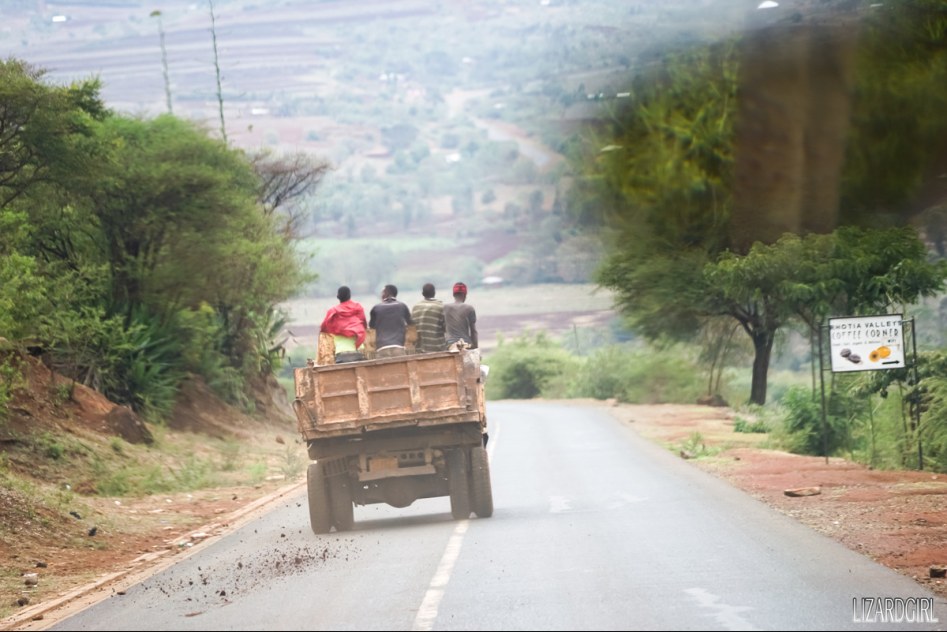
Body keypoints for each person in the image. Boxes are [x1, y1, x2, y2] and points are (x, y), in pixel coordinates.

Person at [320, 286, 367, 363]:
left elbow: (323, 328)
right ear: (350, 295)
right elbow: (364, 324)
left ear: (337, 296)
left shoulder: (333, 311)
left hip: (341, 354)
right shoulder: (358, 307)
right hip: (358, 351)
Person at [369, 284, 413, 358]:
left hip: (382, 348)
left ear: (386, 293)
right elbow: (411, 324)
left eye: (382, 292)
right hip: (398, 347)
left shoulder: (376, 308)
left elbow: (371, 327)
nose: (381, 295)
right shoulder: (402, 306)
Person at [411, 283, 447, 353]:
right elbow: (446, 328)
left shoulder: (415, 307)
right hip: (437, 350)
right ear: (434, 293)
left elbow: (412, 329)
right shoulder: (441, 307)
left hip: (418, 350)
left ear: (422, 293)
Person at [443, 281, 478, 349]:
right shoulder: (469, 308)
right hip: (466, 344)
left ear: (453, 295)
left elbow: (442, 329)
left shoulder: (445, 308)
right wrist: (475, 348)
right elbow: (473, 332)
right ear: (465, 295)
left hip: (450, 345)